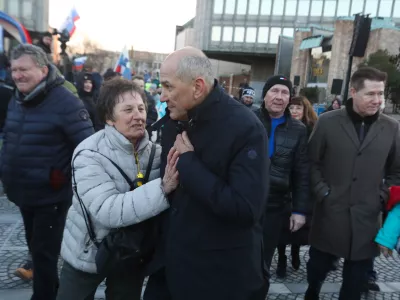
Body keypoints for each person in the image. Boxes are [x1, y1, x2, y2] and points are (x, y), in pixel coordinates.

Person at [144, 47, 270, 300]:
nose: (162, 96)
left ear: (198, 87)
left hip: (217, 279)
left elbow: (246, 209)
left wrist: (189, 164)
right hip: (168, 271)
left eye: (168, 87)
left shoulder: (246, 128)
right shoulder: (174, 120)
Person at [57, 78, 179, 300]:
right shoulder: (89, 154)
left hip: (131, 252)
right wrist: (161, 189)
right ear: (109, 118)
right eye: (128, 109)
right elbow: (108, 210)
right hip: (88, 251)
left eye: (141, 108)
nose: (138, 116)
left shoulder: (157, 153)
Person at [1, 44, 94, 300]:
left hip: (50, 197)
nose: (17, 75)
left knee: (43, 256)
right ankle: (49, 291)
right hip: (23, 192)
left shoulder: (66, 103)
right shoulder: (17, 99)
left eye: (24, 69)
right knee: (36, 250)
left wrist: (61, 176)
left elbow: (88, 150)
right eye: (14, 69)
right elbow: (10, 136)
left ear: (43, 70)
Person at [306, 67, 400, 300]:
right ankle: (313, 290)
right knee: (318, 266)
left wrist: (382, 196)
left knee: (355, 282)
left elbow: (396, 172)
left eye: (380, 94)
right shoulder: (328, 122)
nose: (377, 100)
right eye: (370, 94)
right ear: (354, 92)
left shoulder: (391, 127)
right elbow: (310, 162)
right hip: (330, 213)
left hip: (367, 218)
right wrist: (323, 193)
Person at [254, 75, 309, 293]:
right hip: (245, 201)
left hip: (276, 206)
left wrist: (299, 210)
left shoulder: (299, 129)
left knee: (263, 262)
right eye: (274, 91)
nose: (279, 97)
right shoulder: (248, 119)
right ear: (265, 94)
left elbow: (302, 172)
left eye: (284, 92)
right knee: (238, 257)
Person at [275, 96, 317, 278]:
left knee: (300, 223)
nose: (294, 111)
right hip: (284, 182)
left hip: (303, 182)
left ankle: (295, 250)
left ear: (305, 110)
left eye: (298, 108)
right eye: (291, 107)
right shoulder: (282, 127)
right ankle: (283, 257)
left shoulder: (312, 130)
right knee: (282, 225)